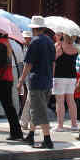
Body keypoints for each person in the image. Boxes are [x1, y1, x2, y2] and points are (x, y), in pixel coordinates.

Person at [18, 17, 55, 149]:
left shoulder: (34, 42)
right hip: (47, 79)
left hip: (36, 80)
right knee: (37, 108)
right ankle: (31, 135)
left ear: (33, 28)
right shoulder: (50, 41)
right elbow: (53, 62)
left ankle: (47, 139)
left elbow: (28, 64)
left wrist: (21, 80)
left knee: (39, 110)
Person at [52, 32, 79, 131]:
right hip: (72, 76)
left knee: (60, 101)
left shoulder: (58, 46)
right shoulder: (75, 48)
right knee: (71, 101)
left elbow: (53, 59)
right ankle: (74, 124)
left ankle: (60, 125)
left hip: (59, 76)